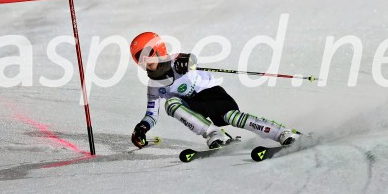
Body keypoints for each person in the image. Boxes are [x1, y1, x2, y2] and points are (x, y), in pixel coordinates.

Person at [129, 31, 301, 150]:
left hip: (211, 94)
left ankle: (283, 133)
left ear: (159, 49)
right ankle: (215, 135)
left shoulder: (176, 60)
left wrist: (185, 61)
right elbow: (151, 114)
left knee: (231, 117)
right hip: (194, 107)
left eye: (147, 53)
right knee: (171, 104)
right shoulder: (153, 85)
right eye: (139, 57)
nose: (144, 60)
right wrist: (141, 129)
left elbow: (190, 58)